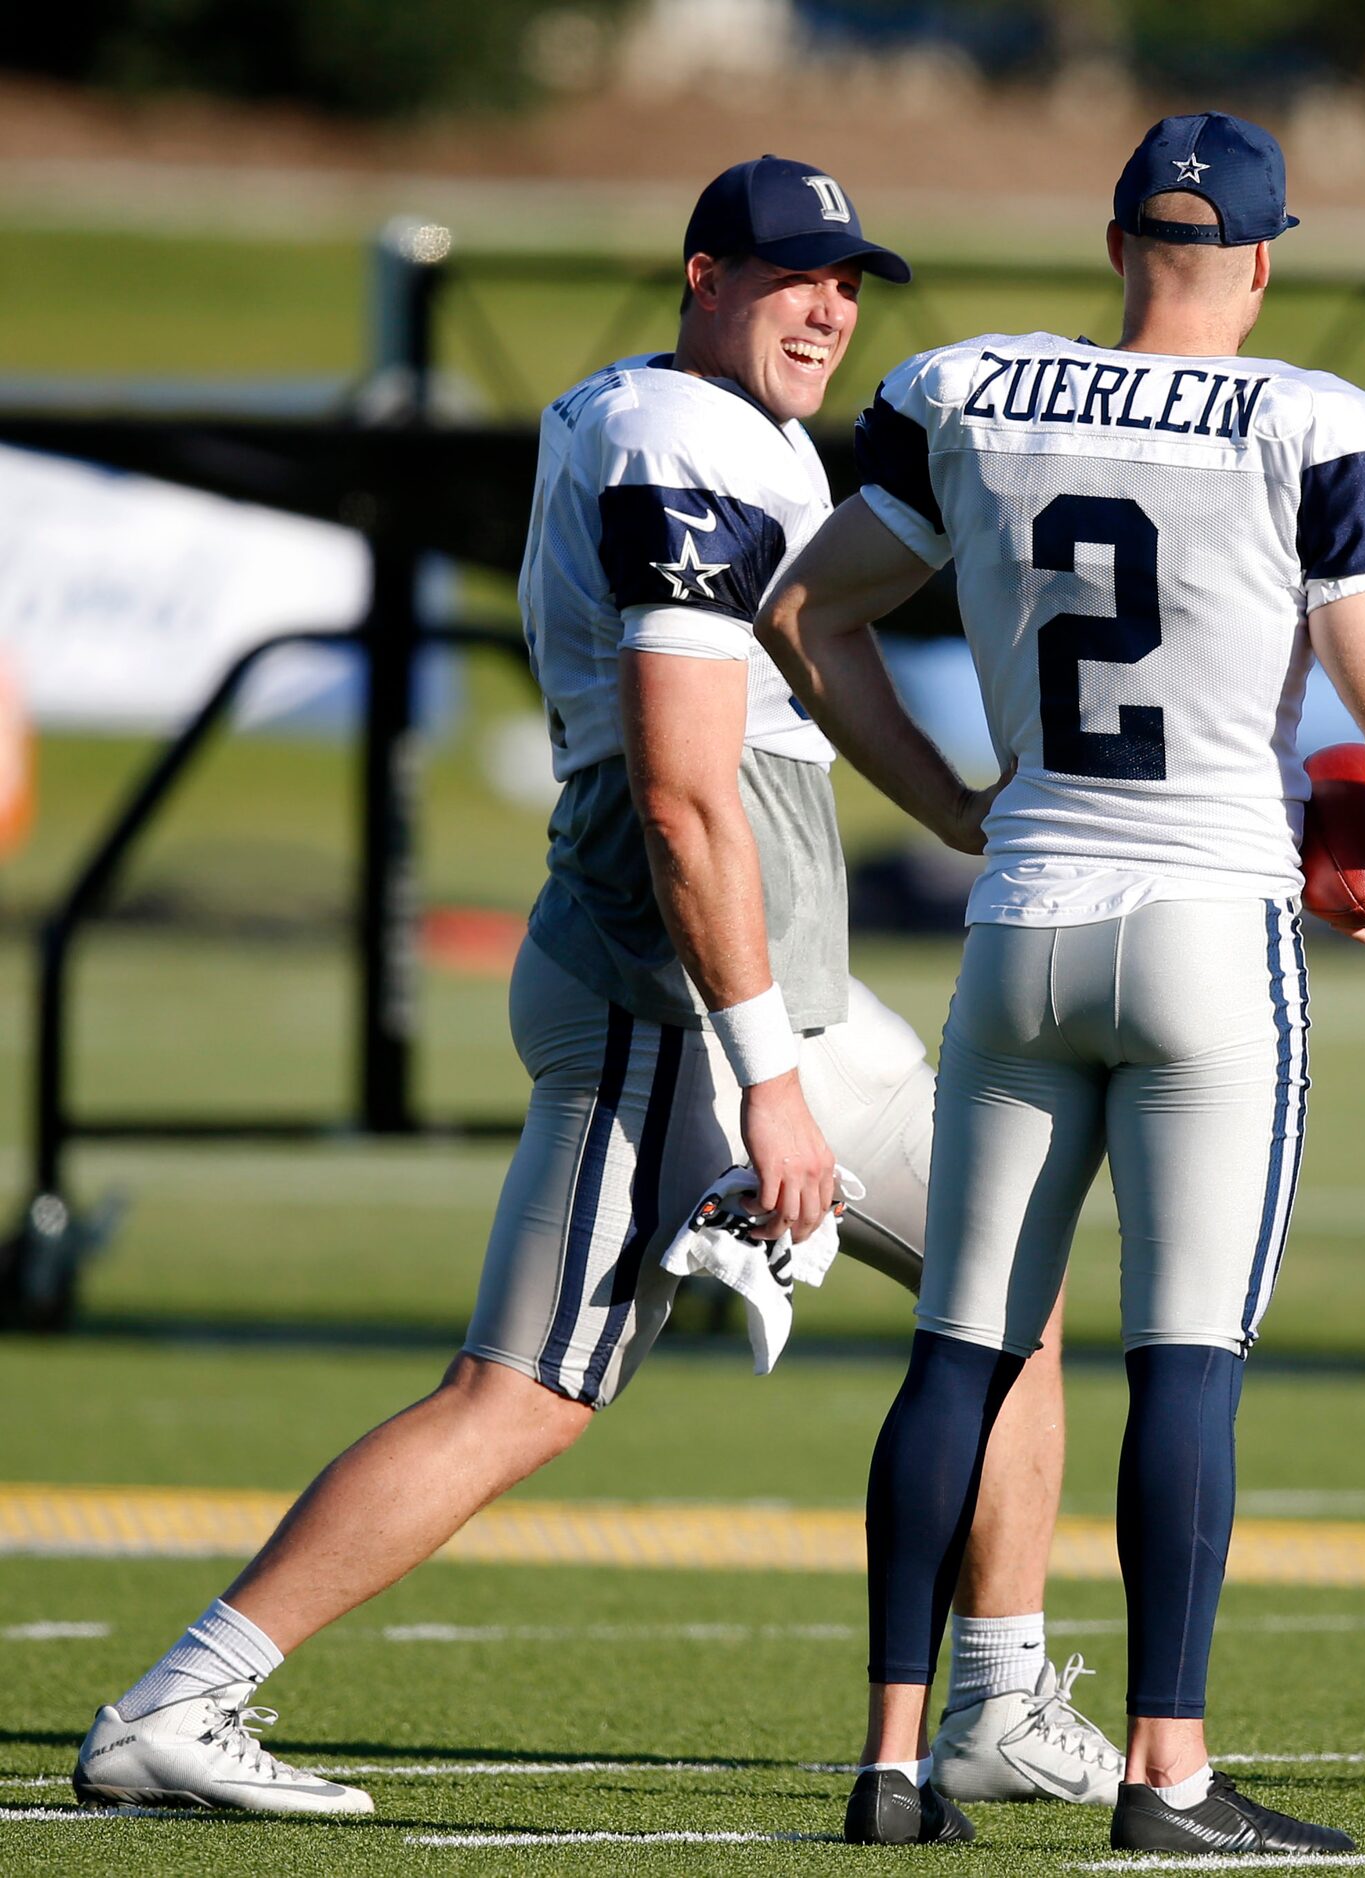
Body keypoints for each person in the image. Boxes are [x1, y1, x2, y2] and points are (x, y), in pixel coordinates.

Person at [71, 155, 1119, 1818]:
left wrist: (957, 814)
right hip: (668, 995)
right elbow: (690, 797)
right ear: (701, 273)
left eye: (850, 281)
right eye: (795, 277)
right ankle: (178, 1703)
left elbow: (802, 676)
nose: (831, 309)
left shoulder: (732, 432)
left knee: (1019, 1277)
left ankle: (993, 1692)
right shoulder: (672, 444)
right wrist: (765, 1079)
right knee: (527, 1392)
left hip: (780, 998)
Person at [758, 112, 1365, 1850]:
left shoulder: (978, 392)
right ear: (1260, 261)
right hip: (1207, 929)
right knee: (1187, 1364)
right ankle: (1166, 1768)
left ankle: (891, 1758)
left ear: (1112, 247)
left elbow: (806, 612)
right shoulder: (1315, 424)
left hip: (1023, 920)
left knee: (957, 1351)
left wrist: (946, 798)